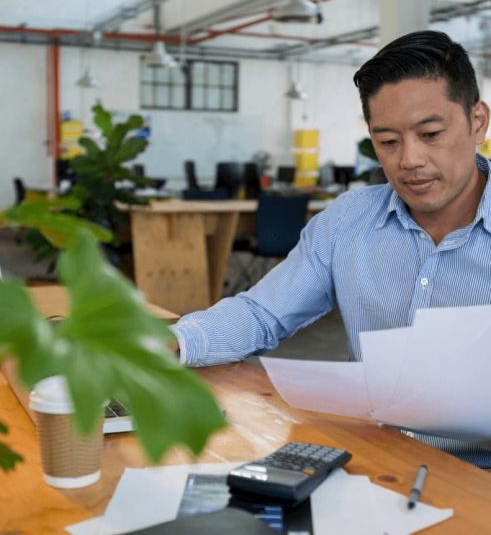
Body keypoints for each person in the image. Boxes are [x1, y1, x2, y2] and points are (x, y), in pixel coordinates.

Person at [173, 30, 491, 367]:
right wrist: (175, 342)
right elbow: (262, 313)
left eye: (430, 135)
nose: (409, 159)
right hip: (366, 423)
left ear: (477, 123)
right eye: (387, 141)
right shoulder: (346, 222)